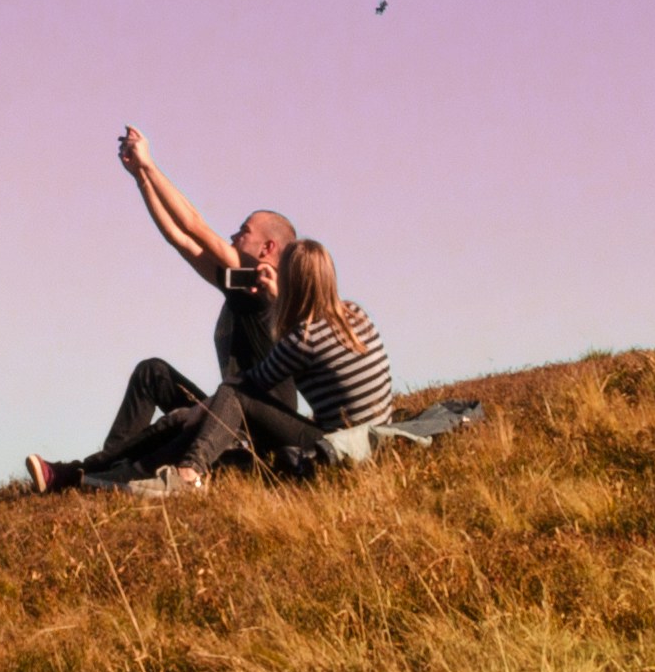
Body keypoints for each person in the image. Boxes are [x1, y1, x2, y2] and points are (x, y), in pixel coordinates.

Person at [27, 128, 290, 492]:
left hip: (252, 430)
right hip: (226, 412)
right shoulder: (242, 286)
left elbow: (195, 226)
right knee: (153, 373)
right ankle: (106, 468)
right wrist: (140, 179)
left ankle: (91, 475)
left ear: (268, 248)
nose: (232, 236)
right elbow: (181, 239)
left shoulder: (263, 287)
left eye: (243, 231)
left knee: (182, 420)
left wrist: (150, 165)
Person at [31, 238, 393, 493]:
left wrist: (208, 408)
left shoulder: (303, 338)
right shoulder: (356, 315)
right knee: (190, 407)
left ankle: (186, 474)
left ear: (293, 283)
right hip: (372, 441)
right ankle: (94, 473)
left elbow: (250, 386)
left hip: (338, 448)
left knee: (226, 394)